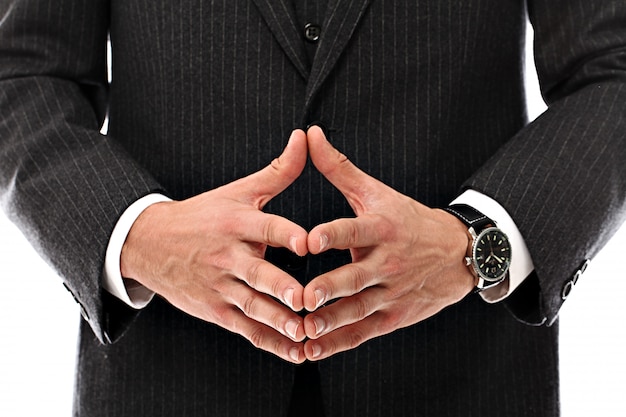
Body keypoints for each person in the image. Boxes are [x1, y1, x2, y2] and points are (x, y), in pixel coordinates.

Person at [1, 0, 624, 416]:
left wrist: (475, 242)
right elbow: (24, 72)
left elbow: (611, 68)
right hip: (170, 378)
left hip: (461, 378)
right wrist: (138, 236)